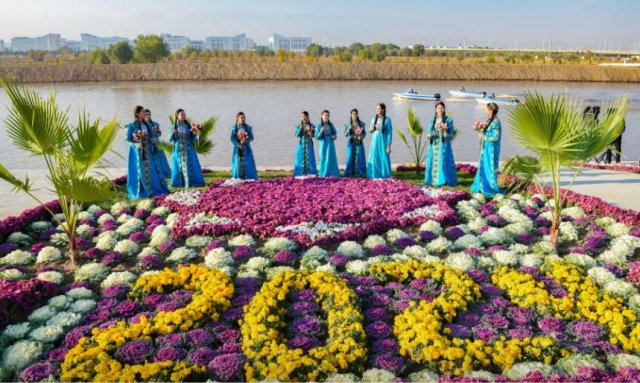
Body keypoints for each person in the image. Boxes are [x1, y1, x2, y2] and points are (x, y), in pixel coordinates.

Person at [125, 105, 170, 200]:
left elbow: (153, 137)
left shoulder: (147, 125)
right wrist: (136, 145)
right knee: (141, 172)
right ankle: (143, 190)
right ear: (137, 114)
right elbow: (127, 141)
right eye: (142, 111)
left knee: (153, 171)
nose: (144, 113)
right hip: (138, 154)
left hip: (150, 153)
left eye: (145, 111)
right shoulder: (131, 126)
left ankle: (154, 189)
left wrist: (154, 140)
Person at [470, 102, 504, 196]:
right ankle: (481, 184)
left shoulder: (496, 122)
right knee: (483, 164)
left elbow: (496, 137)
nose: (485, 111)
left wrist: (484, 137)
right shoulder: (489, 120)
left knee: (489, 166)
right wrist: (479, 129)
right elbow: (487, 132)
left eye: (487, 109)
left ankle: (489, 186)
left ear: (491, 111)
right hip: (486, 147)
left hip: (492, 148)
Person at [169, 109, 205, 188]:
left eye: (184, 114)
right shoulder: (173, 126)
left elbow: (192, 137)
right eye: (181, 114)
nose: (184, 115)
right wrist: (173, 133)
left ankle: (192, 181)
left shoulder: (188, 126)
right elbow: (170, 139)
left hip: (189, 149)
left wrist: (198, 134)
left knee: (192, 164)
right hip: (179, 150)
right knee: (179, 166)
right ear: (177, 116)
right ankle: (180, 182)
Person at [424, 102, 458, 186]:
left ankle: (445, 179)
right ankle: (432, 179)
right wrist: (429, 135)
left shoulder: (449, 120)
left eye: (442, 108)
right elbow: (428, 131)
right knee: (433, 161)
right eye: (438, 108)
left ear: (444, 109)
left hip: (444, 145)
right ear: (436, 110)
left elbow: (451, 134)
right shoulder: (432, 121)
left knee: (444, 160)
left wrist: (447, 135)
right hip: (434, 144)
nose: (440, 110)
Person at [367, 103, 393, 179]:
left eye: (379, 109)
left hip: (383, 142)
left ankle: (385, 174)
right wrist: (374, 128)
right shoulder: (373, 119)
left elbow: (389, 133)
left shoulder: (387, 120)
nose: (377, 110)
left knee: (383, 156)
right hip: (374, 142)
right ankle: (374, 174)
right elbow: (370, 130)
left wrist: (388, 145)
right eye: (376, 108)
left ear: (383, 110)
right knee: (374, 156)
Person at [144, 109, 171, 179]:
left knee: (162, 157)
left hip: (157, 143)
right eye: (146, 115)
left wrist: (156, 132)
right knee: (152, 159)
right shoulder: (142, 125)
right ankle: (155, 173)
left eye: (149, 114)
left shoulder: (155, 124)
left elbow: (160, 133)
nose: (148, 116)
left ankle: (166, 172)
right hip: (148, 144)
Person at [230, 111, 258, 179]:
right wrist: (239, 145)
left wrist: (244, 141)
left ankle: (249, 176)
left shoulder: (248, 127)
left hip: (246, 147)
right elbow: (232, 138)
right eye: (241, 118)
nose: (243, 119)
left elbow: (251, 137)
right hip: (237, 148)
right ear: (237, 119)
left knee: (248, 162)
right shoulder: (234, 128)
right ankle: (237, 176)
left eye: (244, 117)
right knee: (237, 162)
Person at [315, 110, 340, 177]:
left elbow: (335, 134)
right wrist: (321, 132)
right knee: (323, 158)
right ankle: (323, 174)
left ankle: (332, 173)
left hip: (331, 145)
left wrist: (334, 136)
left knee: (331, 158)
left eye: (328, 116)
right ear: (322, 116)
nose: (326, 117)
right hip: (323, 145)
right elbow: (317, 137)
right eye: (325, 115)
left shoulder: (331, 124)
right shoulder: (319, 125)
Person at [344, 108, 367, 177]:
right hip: (351, 142)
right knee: (350, 156)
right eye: (353, 114)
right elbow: (345, 134)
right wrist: (349, 128)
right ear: (351, 115)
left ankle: (360, 172)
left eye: (356, 114)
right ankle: (349, 172)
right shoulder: (347, 123)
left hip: (359, 142)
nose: (355, 115)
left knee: (359, 156)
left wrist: (361, 136)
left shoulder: (361, 124)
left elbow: (364, 134)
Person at [293, 111, 317, 176]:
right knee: (300, 158)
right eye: (302, 116)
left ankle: (311, 173)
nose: (303, 117)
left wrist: (310, 131)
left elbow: (314, 136)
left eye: (304, 116)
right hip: (301, 144)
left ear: (307, 116)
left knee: (310, 158)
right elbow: (297, 135)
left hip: (309, 144)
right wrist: (301, 127)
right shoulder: (298, 125)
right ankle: (299, 173)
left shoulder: (312, 125)